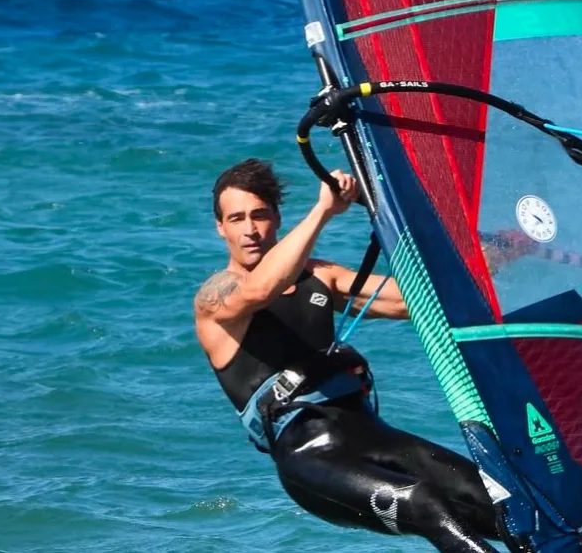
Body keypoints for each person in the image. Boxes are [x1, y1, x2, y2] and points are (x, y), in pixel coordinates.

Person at [193, 158, 510, 553]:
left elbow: (413, 299)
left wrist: (499, 251)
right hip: (312, 459)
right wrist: (324, 210)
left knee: (511, 506)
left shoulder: (320, 276)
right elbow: (260, 291)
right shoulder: (216, 298)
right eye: (236, 218)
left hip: (373, 435)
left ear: (276, 218)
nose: (250, 229)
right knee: (426, 503)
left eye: (259, 215)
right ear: (220, 228)